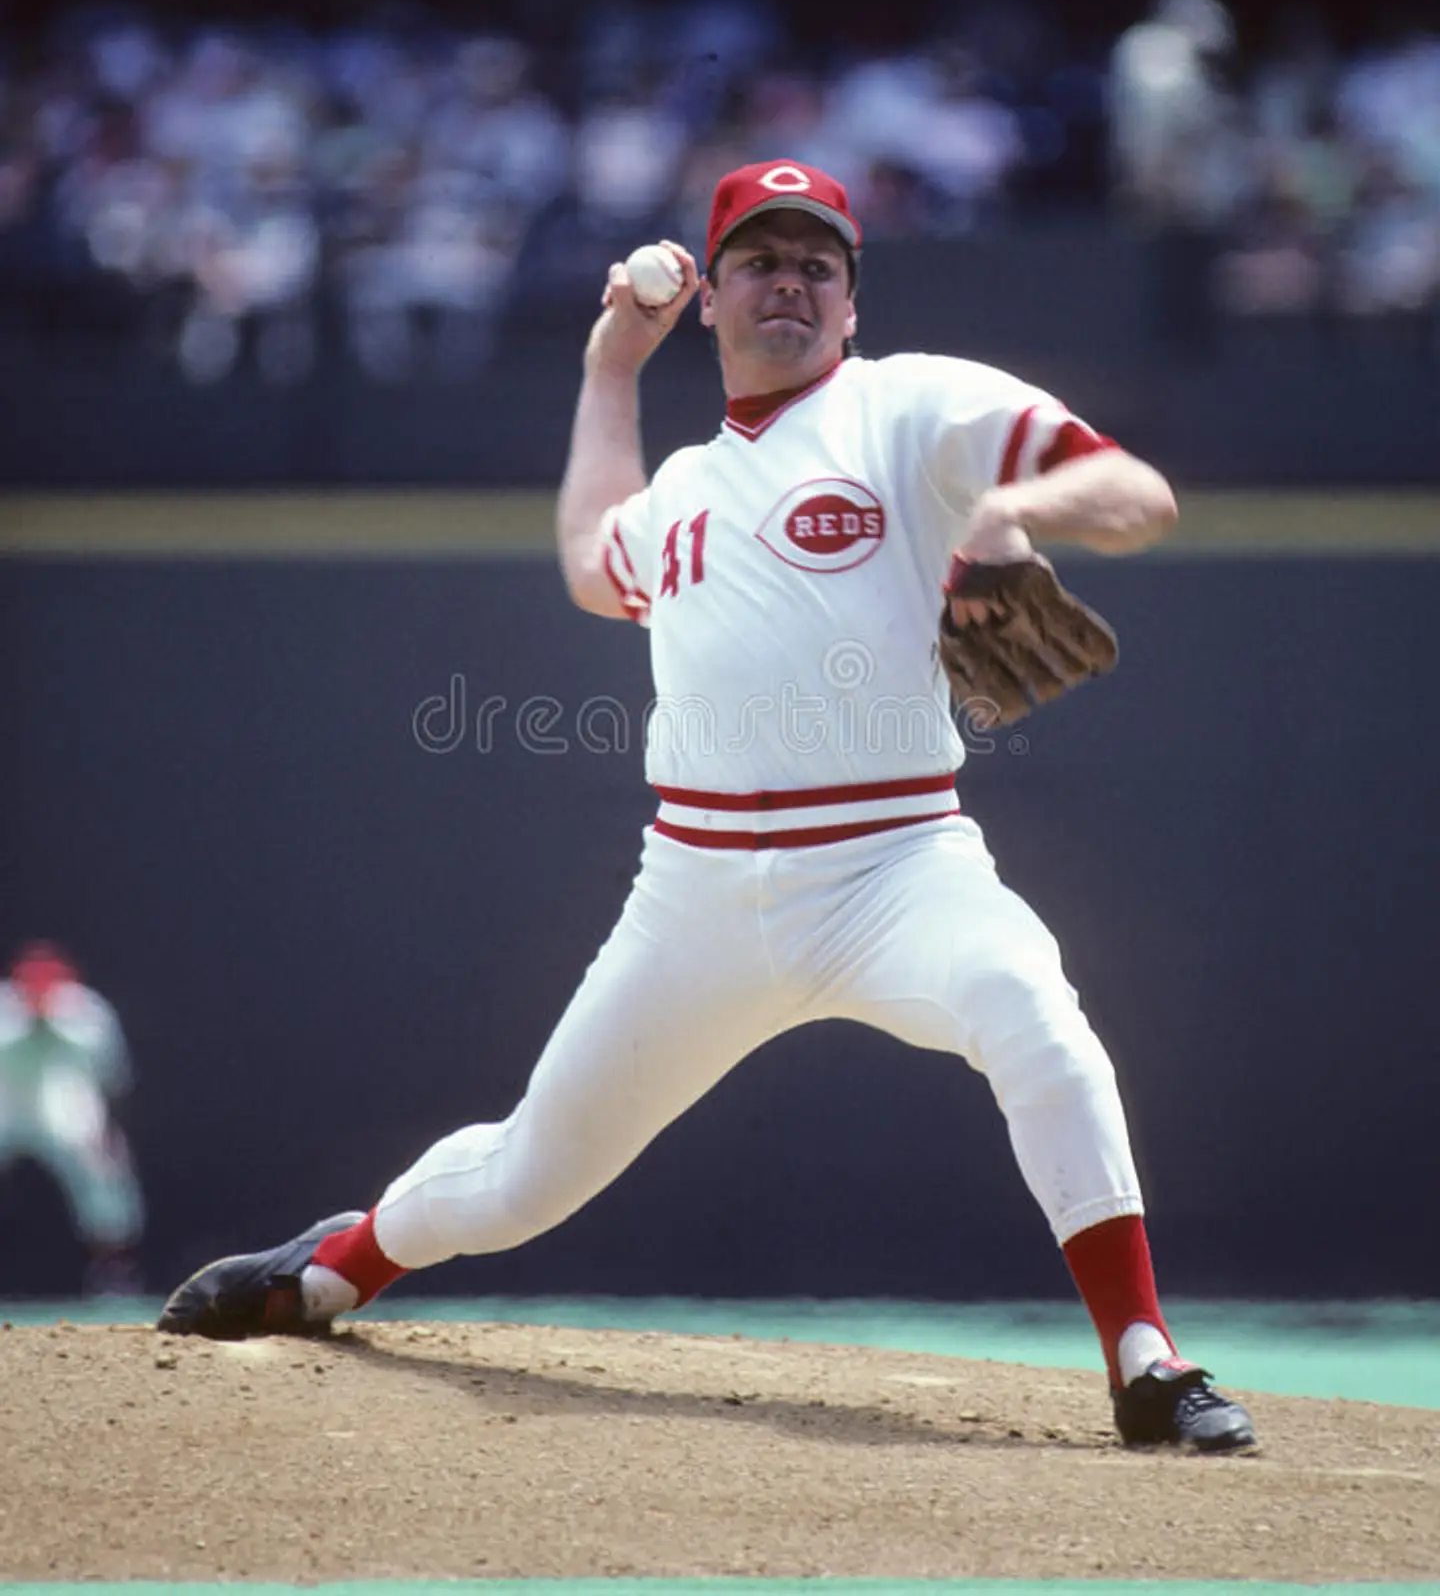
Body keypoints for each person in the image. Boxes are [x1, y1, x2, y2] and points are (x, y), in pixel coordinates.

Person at [158, 159, 1256, 1453]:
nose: (788, 282)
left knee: (1039, 1016)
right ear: (716, 297)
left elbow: (1140, 493)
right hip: (694, 894)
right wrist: (612, 363)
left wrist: (1007, 512)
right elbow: (585, 563)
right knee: (524, 1179)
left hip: (897, 865)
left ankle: (1144, 1357)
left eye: (817, 265)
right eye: (759, 261)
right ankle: (332, 1267)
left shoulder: (915, 408)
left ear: (851, 301)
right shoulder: (679, 494)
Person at [0, 941, 145, 1294]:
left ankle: (114, 1270)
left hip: (64, 1098)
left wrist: (111, 1130)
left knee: (99, 1161)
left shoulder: (87, 1012)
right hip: (7, 1098)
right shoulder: (4, 1008)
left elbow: (113, 1079)